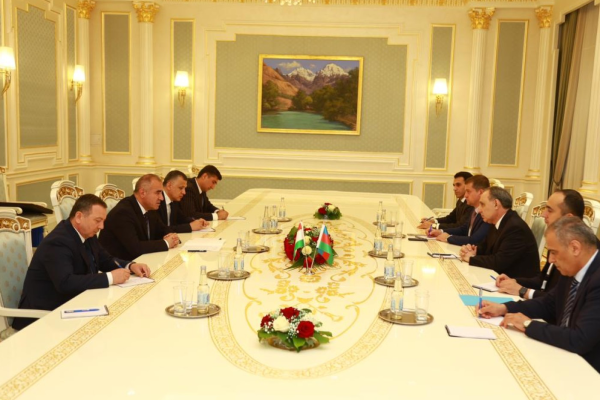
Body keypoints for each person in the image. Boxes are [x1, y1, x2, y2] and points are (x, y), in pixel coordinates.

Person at [10, 195, 151, 332]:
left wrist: (130, 265)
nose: (102, 226)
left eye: (103, 221)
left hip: (72, 305)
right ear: (79, 217)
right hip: (43, 317)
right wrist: (110, 277)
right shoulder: (58, 242)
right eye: (98, 220)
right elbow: (65, 283)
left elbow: (105, 260)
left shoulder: (87, 234)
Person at [479, 216, 600, 373]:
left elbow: (580, 339)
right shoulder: (573, 267)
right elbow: (548, 303)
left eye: (554, 252)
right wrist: (504, 308)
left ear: (575, 248)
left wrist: (528, 324)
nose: (550, 259)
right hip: (564, 355)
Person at [496, 189, 590, 300]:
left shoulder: (581, 251)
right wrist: (513, 281)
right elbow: (543, 280)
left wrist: (523, 291)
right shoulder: (558, 239)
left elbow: (561, 300)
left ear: (568, 218)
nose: (543, 214)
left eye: (550, 210)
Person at [459, 187, 539, 278]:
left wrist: (471, 258)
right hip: (499, 277)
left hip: (516, 282)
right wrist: (474, 251)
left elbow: (499, 262)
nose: (479, 209)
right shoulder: (497, 222)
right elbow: (486, 247)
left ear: (496, 204)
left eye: (482, 204)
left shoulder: (515, 227)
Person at [99, 174, 180, 260]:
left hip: (142, 260)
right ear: (142, 193)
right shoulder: (123, 212)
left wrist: (172, 237)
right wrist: (166, 243)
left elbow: (164, 230)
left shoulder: (150, 208)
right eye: (158, 193)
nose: (162, 198)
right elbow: (136, 248)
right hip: (120, 264)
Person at [428, 175, 491, 246]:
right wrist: (441, 231)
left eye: (468, 191)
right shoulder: (474, 209)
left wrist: (448, 238)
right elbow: (464, 229)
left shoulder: (488, 213)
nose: (465, 195)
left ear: (481, 192)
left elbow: (475, 240)